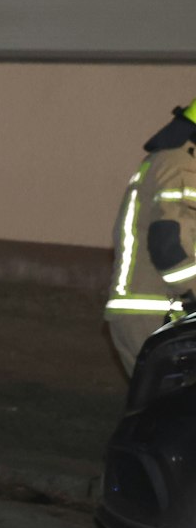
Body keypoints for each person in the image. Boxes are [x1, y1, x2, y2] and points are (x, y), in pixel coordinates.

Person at [107, 97, 196, 373]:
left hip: (151, 312)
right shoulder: (181, 166)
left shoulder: (170, 161)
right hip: (156, 314)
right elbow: (169, 245)